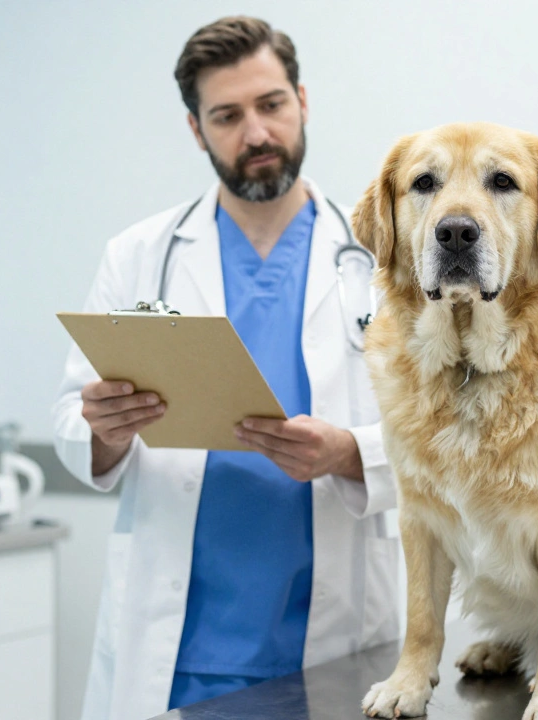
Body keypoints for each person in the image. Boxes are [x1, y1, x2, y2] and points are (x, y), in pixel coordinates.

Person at [52, 16, 398, 720]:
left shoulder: (383, 255)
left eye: (271, 105)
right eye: (227, 115)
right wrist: (105, 427)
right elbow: (70, 416)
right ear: (196, 129)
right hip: (180, 650)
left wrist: (350, 452)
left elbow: (448, 435)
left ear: (303, 99)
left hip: (337, 635)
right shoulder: (139, 255)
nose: (257, 134)